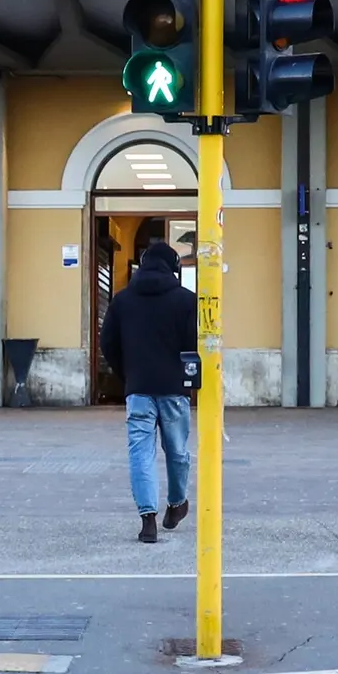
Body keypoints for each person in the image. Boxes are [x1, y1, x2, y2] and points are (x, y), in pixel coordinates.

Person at [101, 231, 198, 543]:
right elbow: (192, 345)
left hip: (139, 389)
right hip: (173, 390)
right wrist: (188, 379)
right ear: (173, 268)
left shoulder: (122, 300)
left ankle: (148, 520)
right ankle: (177, 503)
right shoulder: (185, 300)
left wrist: (127, 374)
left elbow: (108, 343)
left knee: (140, 453)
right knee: (177, 451)